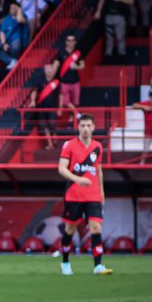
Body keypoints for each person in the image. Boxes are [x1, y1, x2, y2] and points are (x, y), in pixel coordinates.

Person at [57, 114, 113, 276]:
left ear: (93, 127)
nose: (85, 129)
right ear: (78, 127)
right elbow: (61, 168)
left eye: (88, 125)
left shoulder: (98, 147)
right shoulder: (69, 145)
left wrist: (101, 191)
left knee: (96, 227)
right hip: (73, 194)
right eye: (82, 125)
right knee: (70, 228)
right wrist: (78, 179)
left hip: (93, 195)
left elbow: (99, 170)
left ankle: (98, 266)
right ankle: (65, 262)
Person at [54, 34, 84, 111]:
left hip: (75, 81)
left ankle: (72, 118)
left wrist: (76, 67)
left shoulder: (78, 53)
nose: (71, 42)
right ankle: (75, 114)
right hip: (64, 81)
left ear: (75, 42)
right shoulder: (61, 52)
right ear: (66, 42)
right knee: (66, 103)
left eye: (72, 40)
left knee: (76, 102)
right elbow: (56, 63)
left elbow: (82, 65)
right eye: (69, 40)